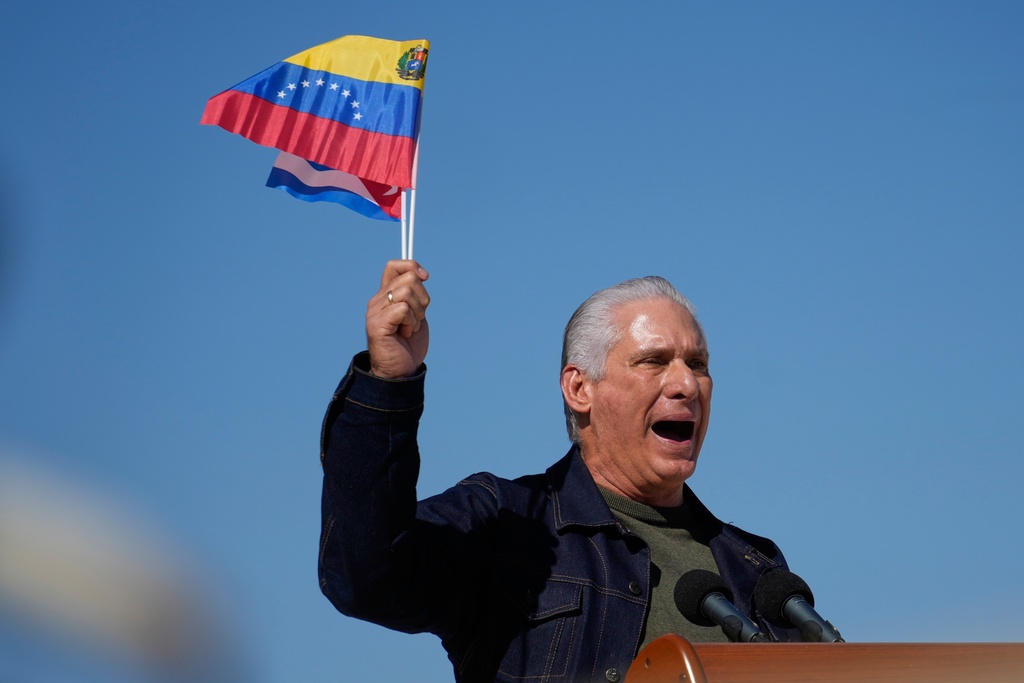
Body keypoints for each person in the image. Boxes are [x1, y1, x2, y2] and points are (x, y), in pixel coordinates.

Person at [318, 260, 800, 683]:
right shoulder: (506, 523)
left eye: (697, 364)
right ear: (579, 388)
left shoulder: (756, 568)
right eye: (653, 361)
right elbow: (365, 577)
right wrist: (388, 383)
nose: (685, 384)